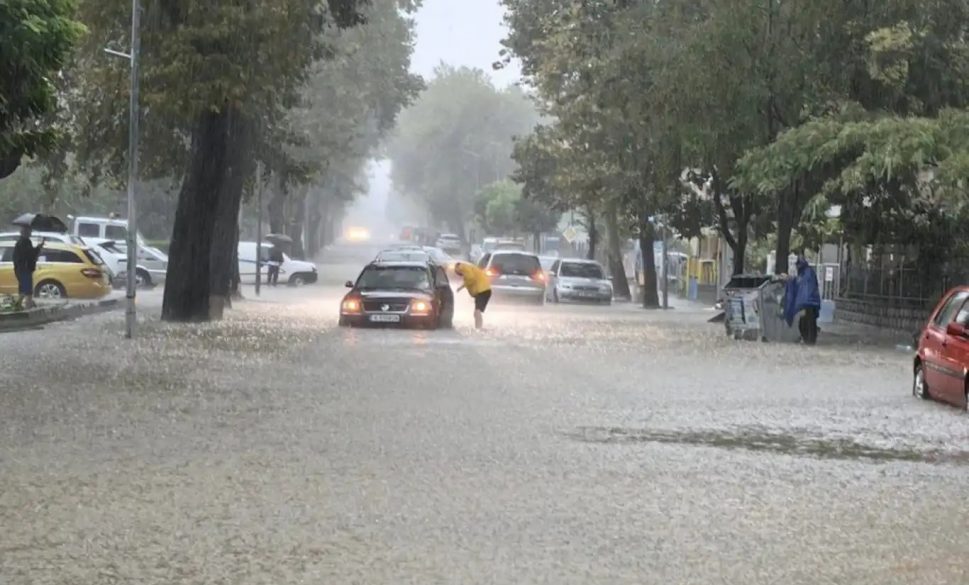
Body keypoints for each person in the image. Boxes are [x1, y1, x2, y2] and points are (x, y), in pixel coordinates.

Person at [783, 256, 822, 345]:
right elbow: (799, 283)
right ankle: (809, 340)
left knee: (806, 322)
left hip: (807, 303)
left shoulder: (806, 274)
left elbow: (799, 284)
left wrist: (789, 280)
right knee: (807, 322)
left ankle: (809, 340)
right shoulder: (807, 273)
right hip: (810, 302)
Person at [454, 261, 492, 329]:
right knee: (476, 313)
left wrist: (461, 287)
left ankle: (478, 329)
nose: (459, 275)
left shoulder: (462, 267)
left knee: (477, 312)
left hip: (482, 291)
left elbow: (471, 278)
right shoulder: (468, 268)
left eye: (457, 272)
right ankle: (478, 328)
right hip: (483, 291)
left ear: (457, 267)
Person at [13, 226, 44, 308]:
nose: (31, 233)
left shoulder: (21, 242)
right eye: (30, 231)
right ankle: (28, 307)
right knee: (28, 291)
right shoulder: (24, 242)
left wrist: (37, 249)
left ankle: (18, 306)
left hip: (20, 269)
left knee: (23, 290)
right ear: (25, 232)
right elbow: (29, 254)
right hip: (24, 269)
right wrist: (38, 248)